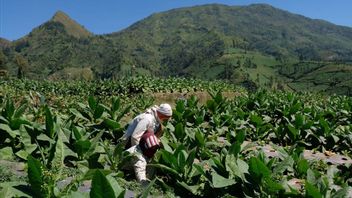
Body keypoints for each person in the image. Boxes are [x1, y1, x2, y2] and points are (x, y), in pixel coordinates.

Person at [122, 103, 172, 184]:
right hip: (129, 144)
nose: (166, 120)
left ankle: (150, 178)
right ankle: (143, 183)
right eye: (165, 118)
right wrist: (139, 153)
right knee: (140, 160)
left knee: (152, 158)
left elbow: (154, 137)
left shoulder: (157, 120)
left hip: (143, 144)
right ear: (160, 114)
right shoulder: (147, 118)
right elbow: (135, 137)